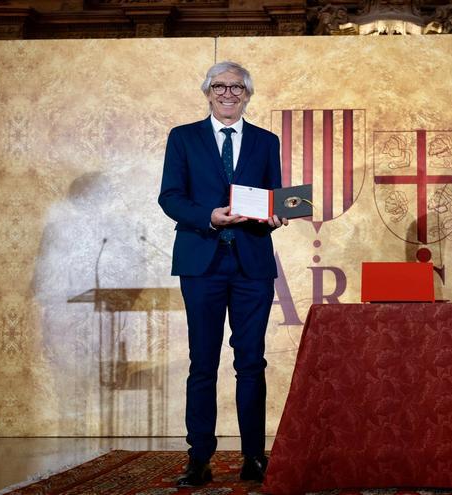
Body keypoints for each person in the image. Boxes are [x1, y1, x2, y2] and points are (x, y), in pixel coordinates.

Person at [158, 61, 288, 487]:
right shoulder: (183, 138)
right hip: (202, 264)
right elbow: (170, 197)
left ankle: (254, 456)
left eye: (237, 87)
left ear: (248, 94)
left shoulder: (266, 141)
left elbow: (273, 197)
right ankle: (199, 458)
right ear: (207, 92)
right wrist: (209, 217)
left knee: (251, 362)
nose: (228, 93)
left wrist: (275, 216)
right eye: (220, 86)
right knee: (203, 363)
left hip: (251, 264)